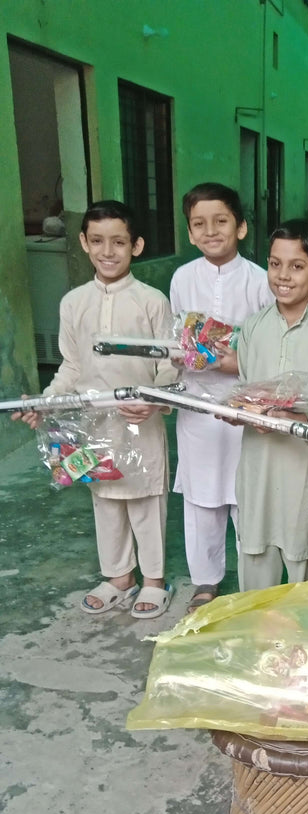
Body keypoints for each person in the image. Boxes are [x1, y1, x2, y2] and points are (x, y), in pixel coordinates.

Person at [13, 200, 176, 618]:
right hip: (93, 423)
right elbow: (72, 364)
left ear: (136, 246)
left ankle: (154, 580)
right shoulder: (73, 303)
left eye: (119, 242)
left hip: (141, 421)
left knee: (145, 498)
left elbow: (167, 364)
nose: (108, 251)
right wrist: (48, 404)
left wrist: (155, 400)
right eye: (98, 241)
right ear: (84, 243)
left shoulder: (151, 301)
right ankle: (118, 576)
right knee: (104, 498)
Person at [170, 182, 273, 614]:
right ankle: (206, 582)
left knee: (245, 496)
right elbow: (176, 338)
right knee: (201, 499)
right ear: (190, 233)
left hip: (246, 404)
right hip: (197, 404)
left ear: (241, 227)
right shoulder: (181, 279)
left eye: (221, 221)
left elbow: (269, 345)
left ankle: (253, 580)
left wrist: (240, 364)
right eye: (199, 224)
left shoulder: (260, 281)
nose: (211, 231)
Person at [235, 219, 308, 591]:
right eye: (274, 263)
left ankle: (301, 643)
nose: (283, 275)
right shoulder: (252, 329)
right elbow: (243, 389)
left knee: (304, 567)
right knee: (255, 558)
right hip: (258, 470)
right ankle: (256, 640)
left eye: (297, 266)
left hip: (305, 473)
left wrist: (300, 416)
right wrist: (241, 411)